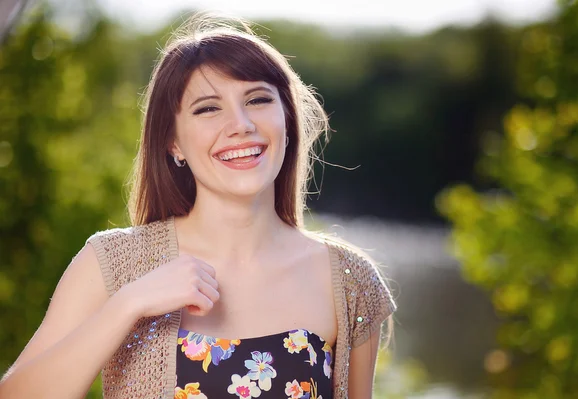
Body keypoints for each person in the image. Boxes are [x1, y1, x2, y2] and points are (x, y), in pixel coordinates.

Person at [0, 14, 396, 399]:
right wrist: (128, 304)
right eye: (208, 108)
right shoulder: (111, 262)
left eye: (257, 99)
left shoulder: (349, 280)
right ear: (173, 143)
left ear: (287, 121)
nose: (240, 124)